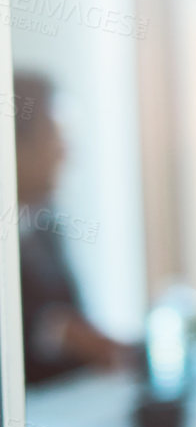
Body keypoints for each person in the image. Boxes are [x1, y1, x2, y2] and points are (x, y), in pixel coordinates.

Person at [13, 72, 133, 384]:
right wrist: (59, 333)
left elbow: (74, 311)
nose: (66, 153)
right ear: (15, 147)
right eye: (55, 137)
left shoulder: (46, 220)